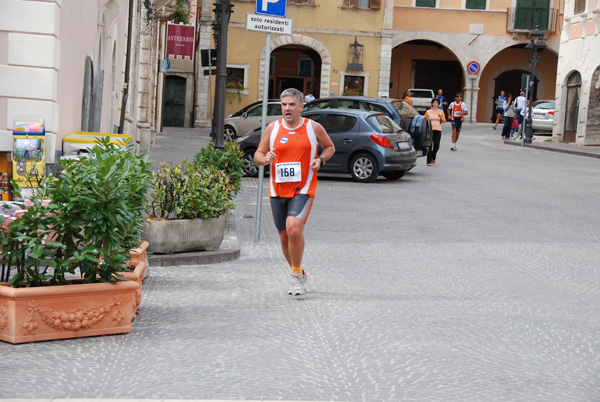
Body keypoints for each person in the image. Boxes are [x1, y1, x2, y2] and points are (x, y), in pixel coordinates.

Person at [254, 88, 335, 297]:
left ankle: (295, 278)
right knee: (283, 236)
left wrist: (320, 160)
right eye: (284, 105)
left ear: (301, 106)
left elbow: (329, 147)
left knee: (294, 229)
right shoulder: (273, 128)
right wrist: (265, 159)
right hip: (277, 188)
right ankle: (298, 269)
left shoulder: (313, 127)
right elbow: (258, 155)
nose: (287, 108)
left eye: (291, 104)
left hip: (304, 187)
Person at [425, 98, 446, 165]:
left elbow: (444, 121)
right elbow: (425, 120)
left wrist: (441, 117)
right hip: (430, 130)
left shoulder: (440, 111)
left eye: (436, 103)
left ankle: (433, 156)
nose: (435, 104)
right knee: (429, 145)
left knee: (436, 146)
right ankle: (428, 161)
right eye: (434, 102)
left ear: (438, 104)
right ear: (432, 103)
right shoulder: (428, 112)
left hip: (438, 129)